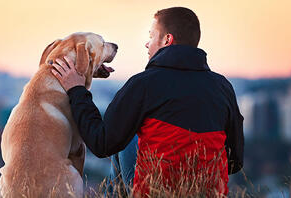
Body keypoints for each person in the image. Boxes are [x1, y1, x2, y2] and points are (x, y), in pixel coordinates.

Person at [51, 7, 244, 196]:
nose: (147, 44)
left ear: (167, 39)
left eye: (151, 36)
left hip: (155, 192)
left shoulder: (143, 84)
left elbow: (101, 143)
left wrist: (76, 90)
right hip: (207, 192)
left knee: (125, 139)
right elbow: (234, 161)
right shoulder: (223, 87)